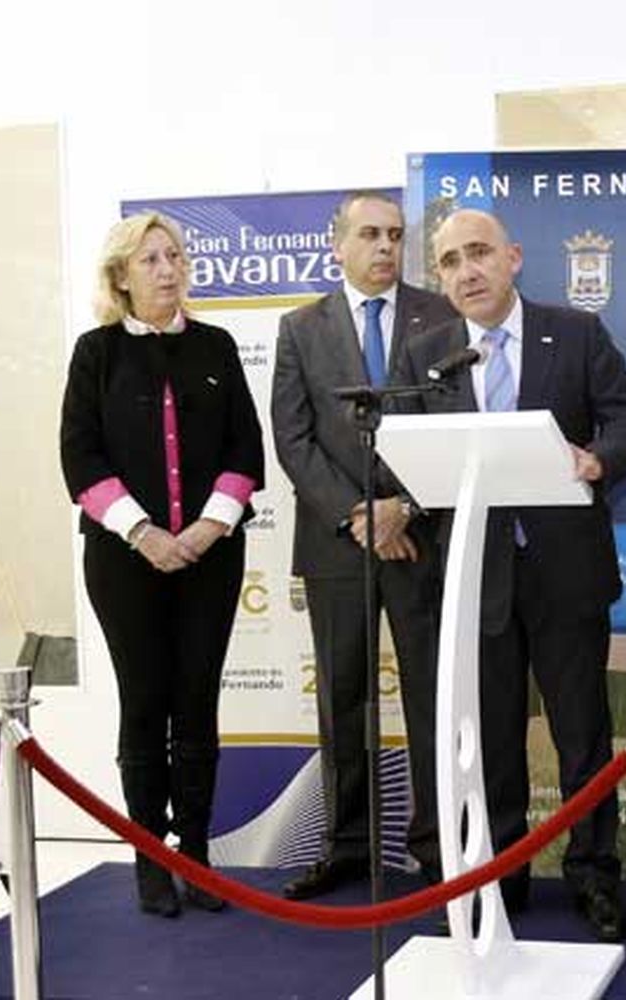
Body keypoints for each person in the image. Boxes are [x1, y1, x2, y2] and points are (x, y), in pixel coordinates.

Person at [394, 208, 626, 942]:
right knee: (490, 741)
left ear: (512, 257)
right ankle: (500, 878)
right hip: (477, 578)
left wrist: (595, 459)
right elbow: (406, 452)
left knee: (582, 735)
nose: (466, 271)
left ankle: (594, 874)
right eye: (450, 262)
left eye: (478, 253)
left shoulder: (574, 333)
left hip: (566, 573)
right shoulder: (427, 354)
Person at [59, 212, 265, 918]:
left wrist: (206, 529)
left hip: (211, 557)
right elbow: (79, 457)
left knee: (197, 701)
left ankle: (196, 856)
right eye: (150, 259)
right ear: (121, 275)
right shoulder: (96, 353)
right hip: (124, 560)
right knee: (144, 702)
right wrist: (143, 532)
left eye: (174, 255)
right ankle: (151, 856)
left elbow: (245, 448)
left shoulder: (216, 346)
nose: (168, 269)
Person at [270, 192, 455, 899]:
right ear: (338, 244)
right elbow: (293, 437)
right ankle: (348, 845)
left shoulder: (439, 316)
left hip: (417, 538)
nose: (385, 247)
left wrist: (401, 510)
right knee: (342, 697)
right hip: (337, 542)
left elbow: (451, 419)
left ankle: (435, 846)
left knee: (429, 696)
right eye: (371, 234)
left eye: (395, 235)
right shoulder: (300, 327)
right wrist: (357, 513)